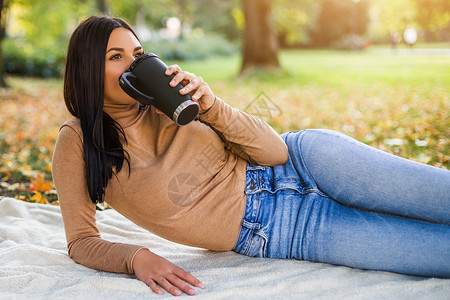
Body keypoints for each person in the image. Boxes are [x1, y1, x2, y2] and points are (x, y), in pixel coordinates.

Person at [52, 15, 450, 297]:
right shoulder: (76, 142)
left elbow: (275, 152)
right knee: (437, 254)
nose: (133, 65)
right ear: (89, 70)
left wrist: (210, 105)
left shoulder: (171, 103)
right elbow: (82, 241)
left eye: (138, 54)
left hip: (308, 161)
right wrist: (134, 258)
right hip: (284, 230)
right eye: (115, 56)